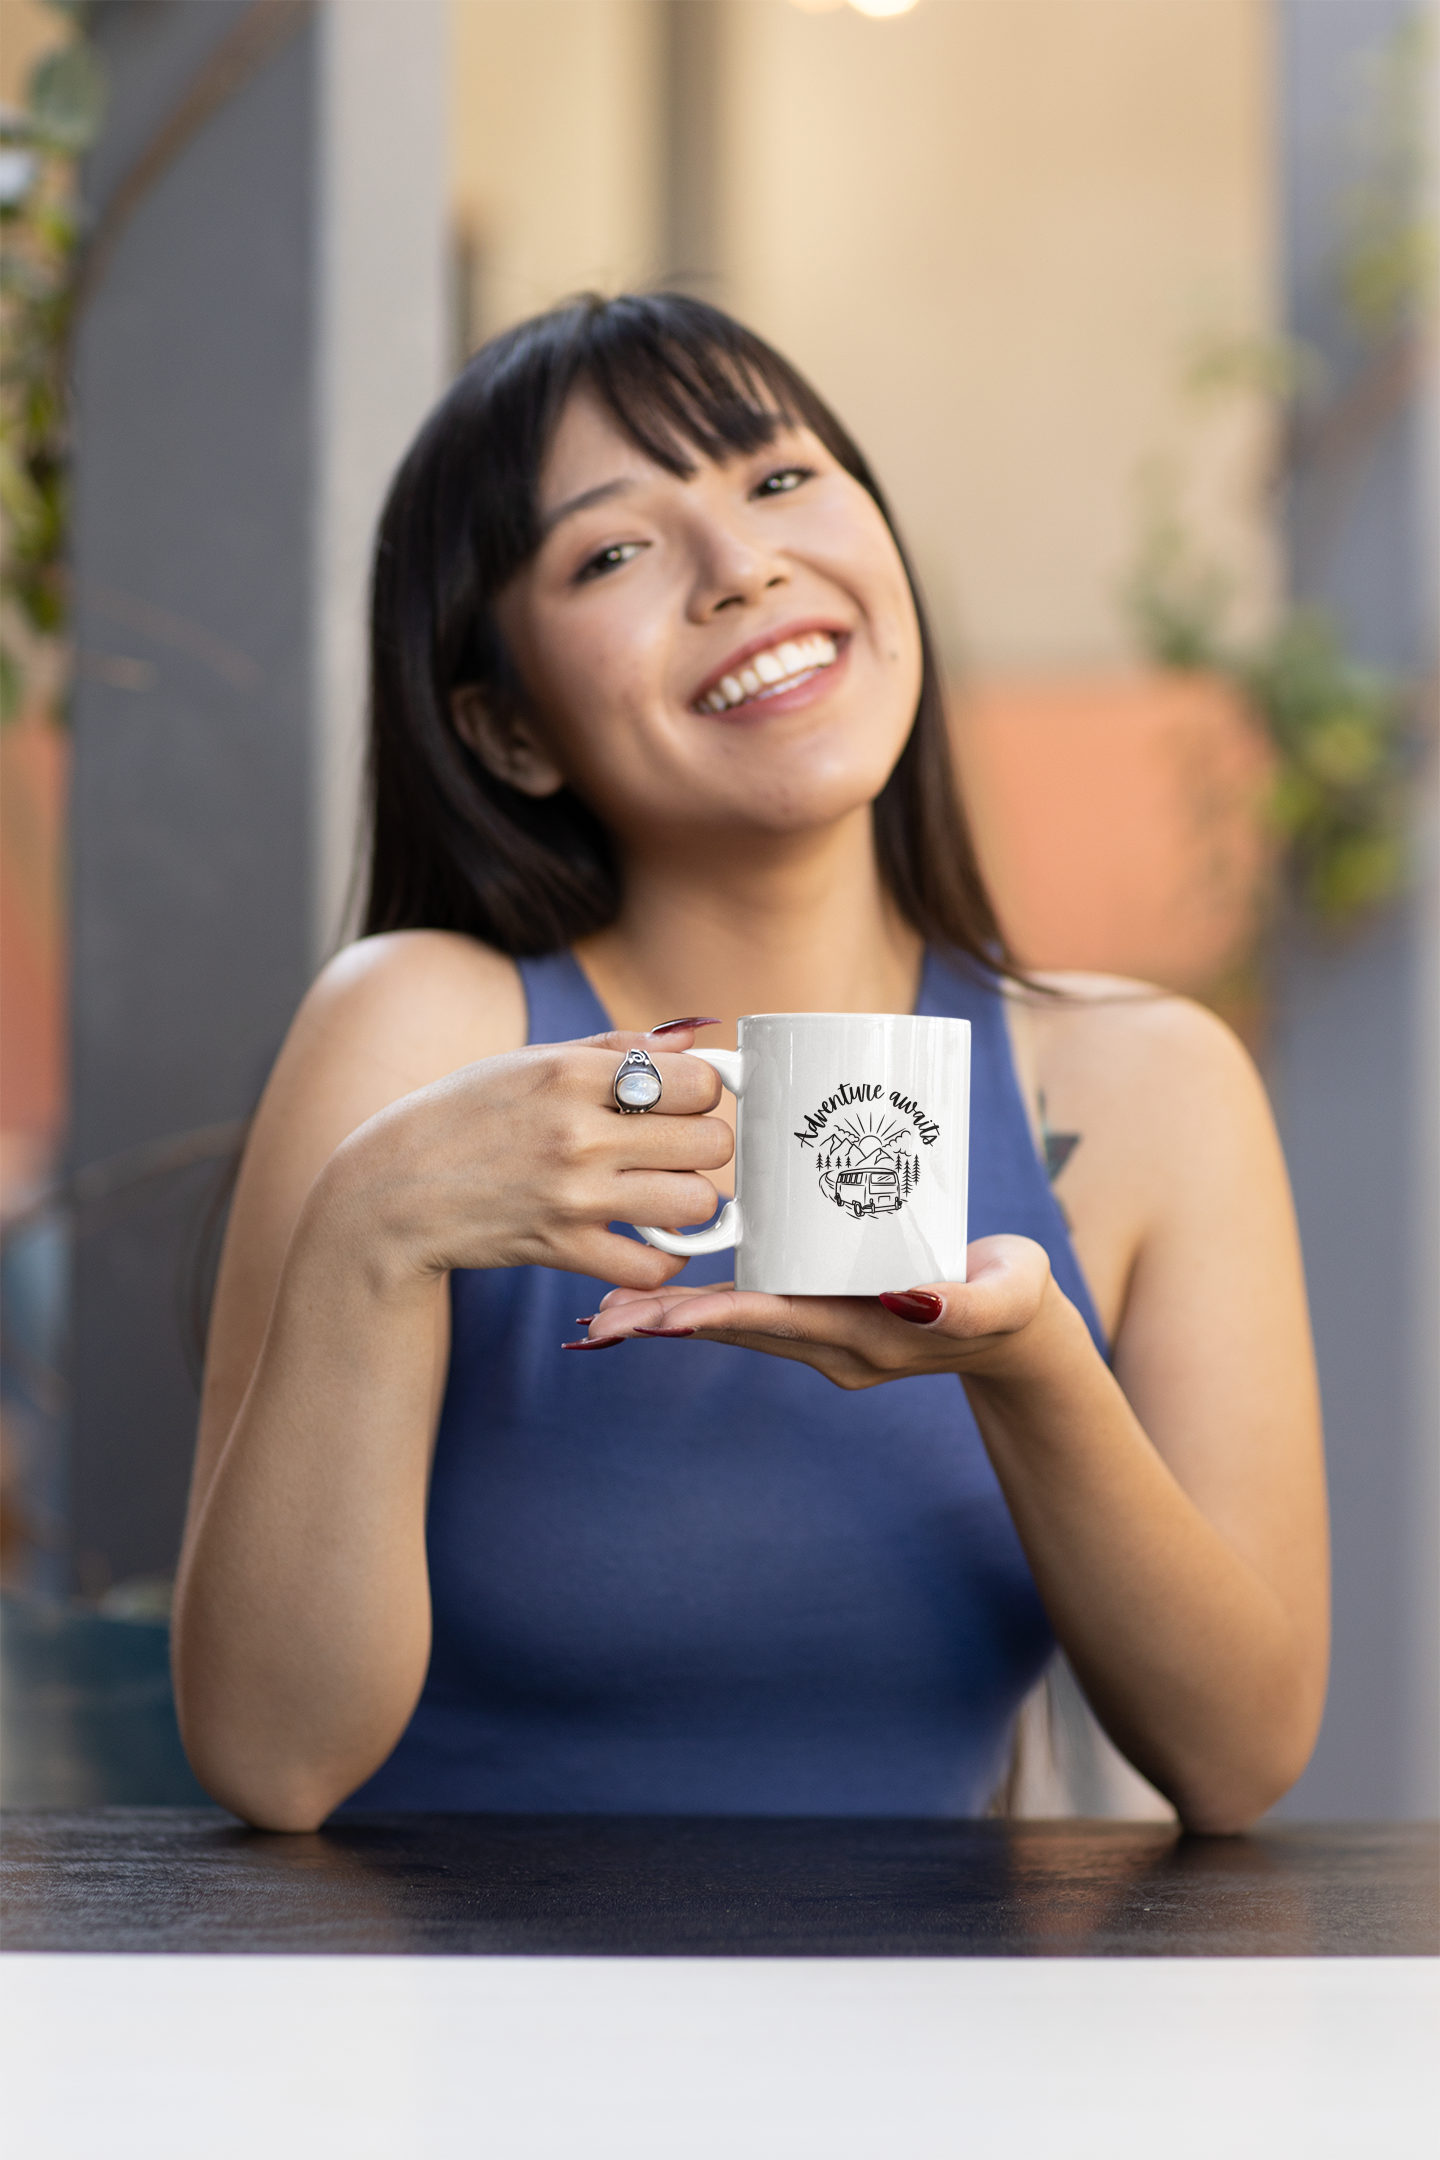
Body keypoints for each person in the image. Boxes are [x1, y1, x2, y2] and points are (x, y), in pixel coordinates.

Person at [172, 293, 1327, 1835]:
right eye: (613, 552)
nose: (743, 567)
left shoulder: (1147, 1086)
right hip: (453, 2043)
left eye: (779, 480)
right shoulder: (422, 1028)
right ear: (507, 731)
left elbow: (1240, 1762)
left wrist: (1031, 1367)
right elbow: (270, 1760)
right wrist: (372, 1230)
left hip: (934, 2042)